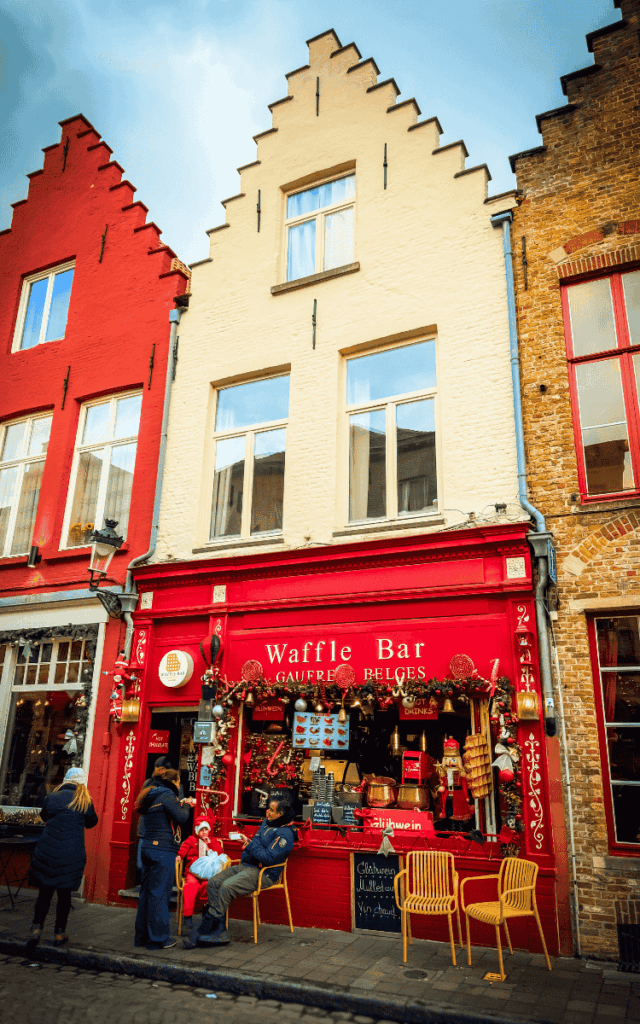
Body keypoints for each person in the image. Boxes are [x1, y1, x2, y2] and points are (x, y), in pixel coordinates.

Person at [183, 794, 296, 949]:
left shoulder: (286, 834)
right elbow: (257, 845)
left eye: (271, 810)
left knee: (226, 887)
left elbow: (268, 858)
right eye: (268, 808)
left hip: (265, 873)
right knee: (214, 882)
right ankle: (219, 930)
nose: (267, 812)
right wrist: (249, 844)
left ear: (280, 814)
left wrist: (250, 846)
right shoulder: (267, 823)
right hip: (248, 866)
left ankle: (203, 929)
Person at [26, 766, 98, 951]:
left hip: (47, 851)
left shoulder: (53, 797)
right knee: (64, 895)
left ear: (66, 780)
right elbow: (92, 822)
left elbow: (44, 815)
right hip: (70, 854)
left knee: (44, 893)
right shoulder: (84, 801)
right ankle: (59, 932)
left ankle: (36, 929)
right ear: (82, 783)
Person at [135, 768, 195, 950]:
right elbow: (182, 817)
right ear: (174, 782)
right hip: (162, 849)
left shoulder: (151, 793)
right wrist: (187, 804)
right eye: (178, 782)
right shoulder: (168, 794)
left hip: (146, 847)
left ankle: (142, 936)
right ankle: (159, 938)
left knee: (146, 893)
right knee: (159, 894)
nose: (179, 785)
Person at [136, 756, 185, 882]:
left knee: (148, 870)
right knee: (148, 870)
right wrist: (185, 804)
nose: (159, 772)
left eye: (162, 769)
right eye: (158, 769)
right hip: (155, 834)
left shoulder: (154, 784)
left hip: (153, 832)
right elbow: (180, 814)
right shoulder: (155, 785)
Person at [176, 817, 226, 938]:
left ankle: (207, 918)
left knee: (209, 888)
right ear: (197, 831)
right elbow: (184, 848)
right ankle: (187, 919)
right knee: (190, 887)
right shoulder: (192, 840)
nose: (204, 832)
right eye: (201, 829)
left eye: (206, 829)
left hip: (208, 874)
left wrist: (209, 845)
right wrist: (179, 855)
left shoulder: (213, 841)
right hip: (193, 873)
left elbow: (219, 853)